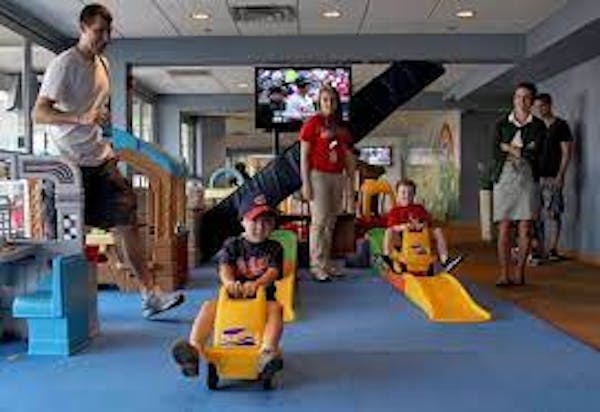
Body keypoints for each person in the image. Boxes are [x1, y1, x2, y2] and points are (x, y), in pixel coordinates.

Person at [32, 3, 184, 317]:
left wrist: (104, 134)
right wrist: (80, 117)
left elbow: (97, 113)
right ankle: (58, 301)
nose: (104, 38)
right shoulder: (64, 64)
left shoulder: (102, 65)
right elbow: (40, 113)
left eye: (107, 32)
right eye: (98, 31)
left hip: (101, 161)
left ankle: (149, 294)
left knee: (127, 222)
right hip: (68, 167)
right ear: (83, 29)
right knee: (63, 237)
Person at [171, 191, 284, 379]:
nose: (260, 227)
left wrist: (257, 284)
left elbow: (273, 272)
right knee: (209, 307)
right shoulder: (232, 245)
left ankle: (267, 351)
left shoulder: (274, 248)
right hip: (232, 298)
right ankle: (194, 350)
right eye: (254, 221)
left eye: (267, 222)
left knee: (276, 309)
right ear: (242, 221)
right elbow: (225, 267)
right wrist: (230, 283)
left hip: (262, 300)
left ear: (273, 224)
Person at [300, 85, 356, 282]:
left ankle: (326, 262)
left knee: (331, 222)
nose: (329, 103)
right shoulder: (312, 123)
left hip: (337, 176)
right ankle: (316, 265)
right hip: (318, 176)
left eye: (332, 100)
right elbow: (304, 156)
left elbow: (348, 156)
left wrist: (351, 181)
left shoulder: (341, 126)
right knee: (320, 221)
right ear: (319, 102)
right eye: (325, 99)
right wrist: (305, 183)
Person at [492, 82, 545, 286]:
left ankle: (520, 272)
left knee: (525, 227)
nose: (521, 101)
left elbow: (537, 154)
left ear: (531, 102)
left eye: (526, 98)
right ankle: (504, 274)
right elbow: (495, 153)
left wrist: (511, 149)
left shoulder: (538, 126)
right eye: (518, 97)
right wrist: (521, 152)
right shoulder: (501, 124)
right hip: (504, 176)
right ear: (513, 99)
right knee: (504, 227)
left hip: (528, 177)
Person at [378, 179, 462, 273]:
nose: (407, 196)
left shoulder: (419, 208)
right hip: (402, 239)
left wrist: (422, 225)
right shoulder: (395, 211)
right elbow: (393, 227)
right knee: (389, 231)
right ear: (397, 194)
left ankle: (445, 260)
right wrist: (404, 226)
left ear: (414, 195)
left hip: (421, 238)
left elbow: (427, 222)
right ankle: (387, 257)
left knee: (438, 230)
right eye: (403, 193)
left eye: (410, 193)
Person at [530, 93, 573, 262]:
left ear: (549, 105)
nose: (539, 110)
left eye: (542, 106)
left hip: (552, 177)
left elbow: (566, 152)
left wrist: (560, 175)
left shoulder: (561, 125)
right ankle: (538, 250)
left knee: (553, 213)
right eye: (537, 107)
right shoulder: (536, 127)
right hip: (535, 177)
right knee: (535, 216)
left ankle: (553, 249)